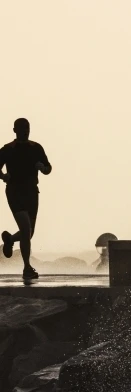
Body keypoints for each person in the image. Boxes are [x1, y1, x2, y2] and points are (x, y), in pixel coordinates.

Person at [0, 118, 52, 280]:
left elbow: (48, 167)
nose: (25, 131)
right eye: (21, 129)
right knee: (25, 227)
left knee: (29, 233)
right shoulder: (8, 149)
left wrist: (43, 168)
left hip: (31, 193)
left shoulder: (36, 148)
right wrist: (3, 176)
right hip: (15, 192)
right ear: (14, 130)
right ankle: (27, 268)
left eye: (27, 128)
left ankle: (9, 239)